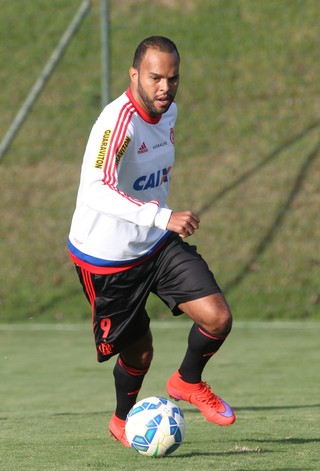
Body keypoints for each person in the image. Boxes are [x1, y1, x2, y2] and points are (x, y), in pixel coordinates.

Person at [68, 36, 235, 447]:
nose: (165, 87)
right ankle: (121, 420)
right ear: (134, 75)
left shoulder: (170, 112)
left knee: (217, 318)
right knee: (139, 355)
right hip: (107, 259)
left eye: (172, 78)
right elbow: (95, 189)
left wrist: (159, 221)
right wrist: (162, 215)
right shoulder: (116, 123)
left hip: (156, 244)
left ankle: (187, 382)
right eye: (155, 77)